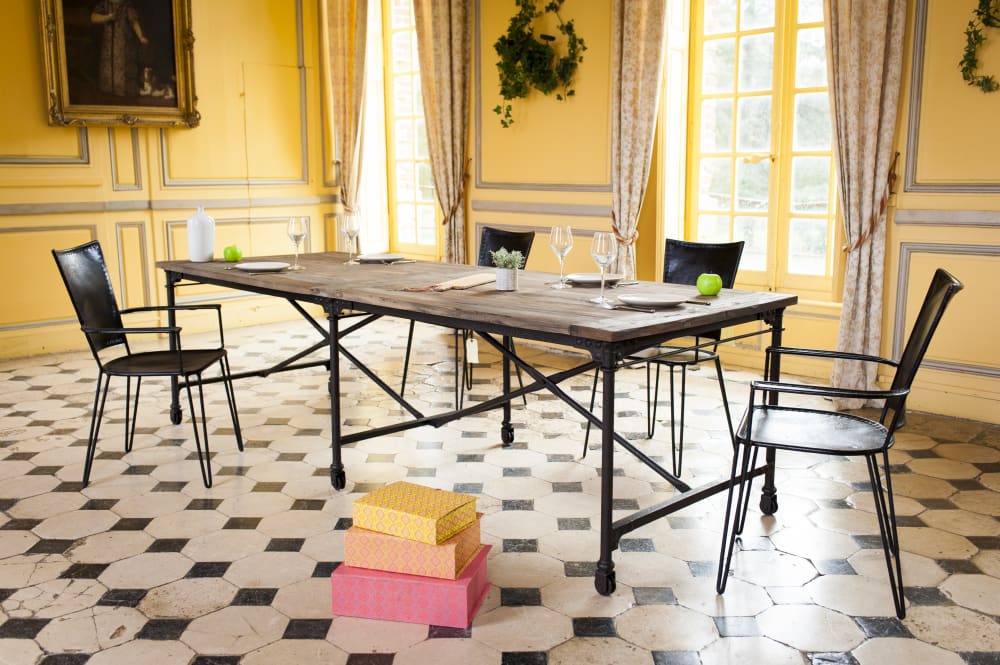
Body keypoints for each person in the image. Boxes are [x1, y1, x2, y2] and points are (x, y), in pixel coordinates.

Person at [90, 0, 148, 98]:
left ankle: (122, 92)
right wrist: (107, 17)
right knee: (108, 67)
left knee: (124, 68)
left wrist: (141, 36)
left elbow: (134, 22)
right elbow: (93, 18)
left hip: (124, 44)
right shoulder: (104, 4)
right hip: (108, 44)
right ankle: (108, 90)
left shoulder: (127, 6)